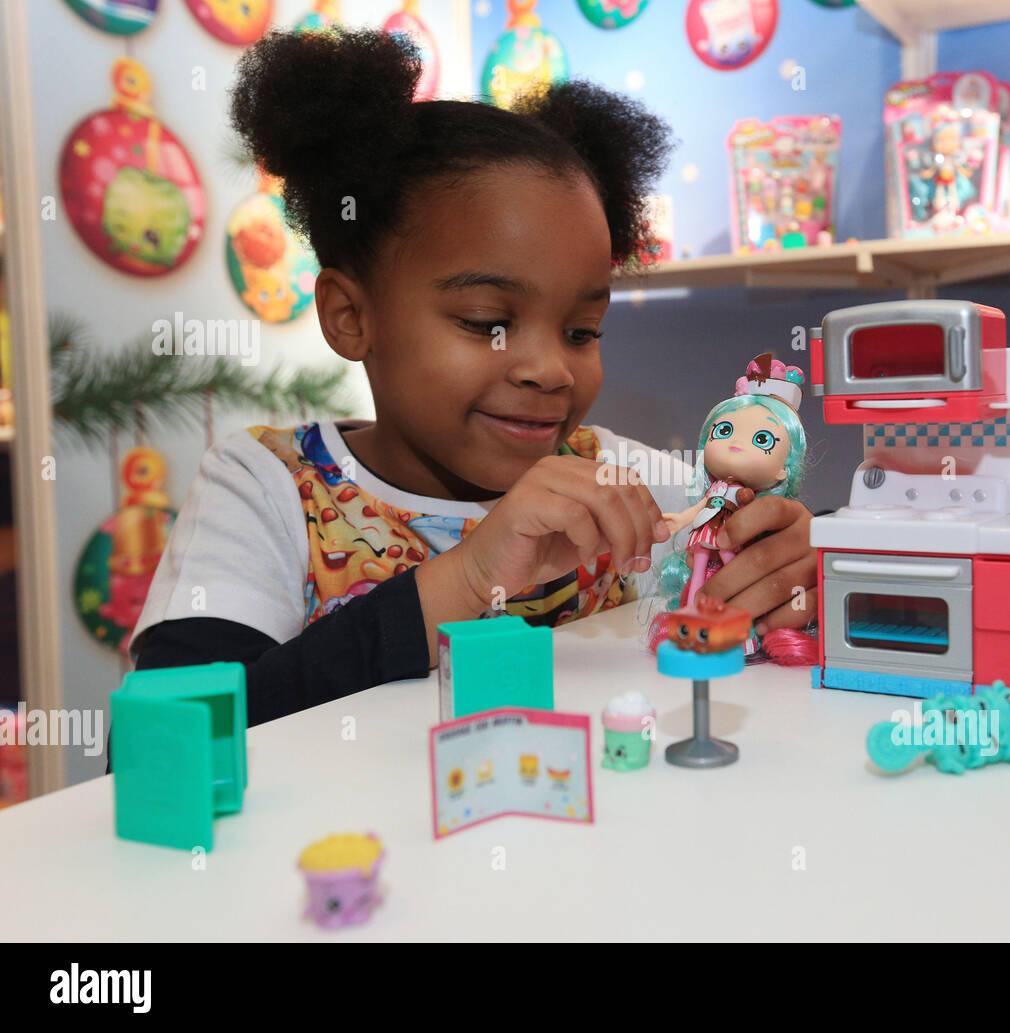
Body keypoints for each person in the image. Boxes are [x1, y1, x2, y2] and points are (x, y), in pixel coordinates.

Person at [127, 28, 817, 729]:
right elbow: (163, 741)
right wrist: (467, 577)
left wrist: (779, 568)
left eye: (581, 331)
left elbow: (748, 556)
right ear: (349, 315)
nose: (550, 370)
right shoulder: (265, 490)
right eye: (488, 320)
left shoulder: (616, 482)